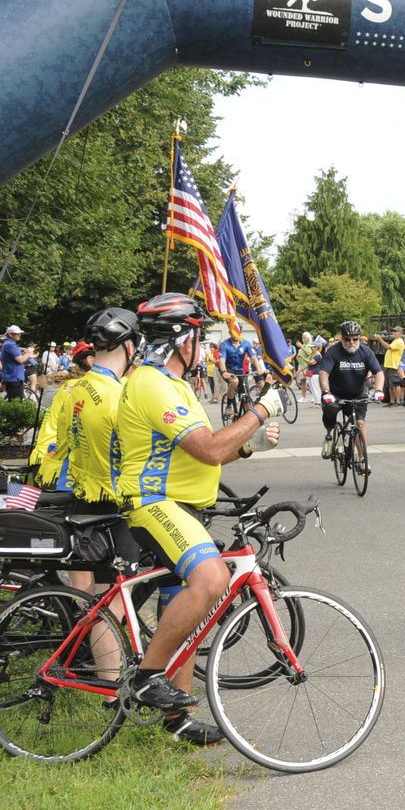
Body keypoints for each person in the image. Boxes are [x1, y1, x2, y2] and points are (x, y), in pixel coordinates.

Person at [116, 293, 281, 740]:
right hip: (154, 503)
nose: (201, 347)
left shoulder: (176, 384)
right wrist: (259, 410)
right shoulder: (152, 384)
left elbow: (206, 452)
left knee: (186, 608)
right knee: (211, 581)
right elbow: (208, 448)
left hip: (183, 506)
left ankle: (177, 721)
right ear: (179, 339)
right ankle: (148, 676)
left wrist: (248, 443)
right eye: (196, 337)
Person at [51, 310, 146, 697]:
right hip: (114, 504)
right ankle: (111, 689)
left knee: (94, 596)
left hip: (80, 497)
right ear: (129, 346)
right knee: (111, 601)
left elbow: (64, 443)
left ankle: (96, 669)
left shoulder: (75, 390)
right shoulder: (120, 395)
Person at [318, 321, 385, 462]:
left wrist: (378, 390)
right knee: (330, 412)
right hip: (335, 394)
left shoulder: (366, 352)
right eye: (347, 339)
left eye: (355, 339)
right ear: (342, 338)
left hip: (357, 394)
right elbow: (324, 373)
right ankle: (329, 435)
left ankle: (362, 460)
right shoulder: (333, 352)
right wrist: (326, 392)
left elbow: (378, 372)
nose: (351, 342)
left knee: (359, 423)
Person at [32, 341, 95, 490]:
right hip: (56, 459)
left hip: (46, 456)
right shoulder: (81, 387)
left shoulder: (73, 384)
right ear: (90, 361)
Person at [218, 324, 266, 408]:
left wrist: (258, 369)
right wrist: (224, 372)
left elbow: (254, 358)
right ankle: (229, 405)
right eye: (233, 332)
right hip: (227, 369)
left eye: (237, 332)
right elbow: (222, 360)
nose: (235, 334)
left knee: (245, 392)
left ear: (241, 332)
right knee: (234, 382)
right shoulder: (224, 344)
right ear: (230, 332)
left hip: (239, 369)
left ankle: (247, 411)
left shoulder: (246, 343)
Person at [0, 325, 30, 401]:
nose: (19, 335)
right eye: (17, 333)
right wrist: (28, 352)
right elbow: (20, 359)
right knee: (15, 403)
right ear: (10, 334)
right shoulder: (10, 345)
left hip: (14, 378)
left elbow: (19, 356)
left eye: (19, 333)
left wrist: (29, 355)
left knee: (14, 401)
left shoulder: (10, 344)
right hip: (14, 378)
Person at [382, 326, 405, 406]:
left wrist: (380, 339)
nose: (394, 333)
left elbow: (387, 347)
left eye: (395, 331)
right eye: (393, 331)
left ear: (400, 333)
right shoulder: (395, 341)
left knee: (396, 384)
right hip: (390, 366)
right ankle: (392, 401)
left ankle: (398, 401)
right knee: (390, 385)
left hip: (395, 365)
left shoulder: (399, 341)